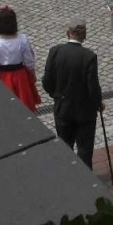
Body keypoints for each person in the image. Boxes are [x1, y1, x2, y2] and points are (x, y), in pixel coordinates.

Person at [42, 22, 103, 168]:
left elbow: (46, 81)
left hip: (63, 108)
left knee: (65, 147)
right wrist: (98, 104)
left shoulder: (55, 51)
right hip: (85, 112)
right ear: (84, 35)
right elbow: (92, 87)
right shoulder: (89, 56)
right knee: (85, 150)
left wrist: (56, 95)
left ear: (67, 32)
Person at [0, 6, 40, 112]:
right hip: (20, 76)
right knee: (24, 106)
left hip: (2, 76)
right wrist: (33, 74)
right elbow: (29, 61)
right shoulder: (22, 39)